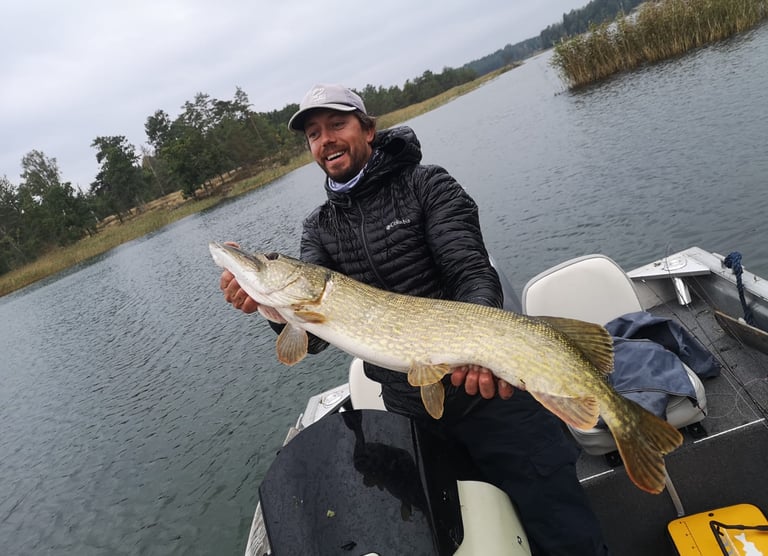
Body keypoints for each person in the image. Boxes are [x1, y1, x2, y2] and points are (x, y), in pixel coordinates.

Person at [220, 83, 610, 555]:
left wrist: (481, 348)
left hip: (493, 404)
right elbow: (313, 338)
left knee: (565, 534)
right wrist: (270, 310)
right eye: (314, 134)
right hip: (414, 416)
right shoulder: (318, 229)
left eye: (337, 125)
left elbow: (471, 271)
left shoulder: (427, 186)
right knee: (463, 541)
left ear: (368, 129)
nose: (326, 141)